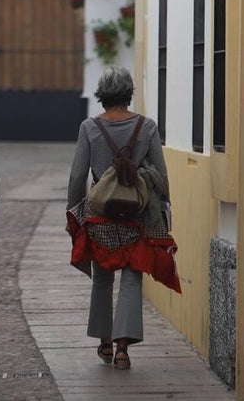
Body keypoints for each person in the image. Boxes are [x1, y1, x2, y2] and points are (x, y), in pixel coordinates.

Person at [66, 66, 178, 371]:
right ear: (128, 93)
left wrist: (74, 214)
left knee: (102, 278)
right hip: (137, 216)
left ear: (102, 94)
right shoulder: (148, 126)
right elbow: (162, 177)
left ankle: (103, 339)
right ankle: (123, 349)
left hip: (100, 216)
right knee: (132, 277)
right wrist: (163, 207)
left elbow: (78, 176)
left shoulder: (89, 128)